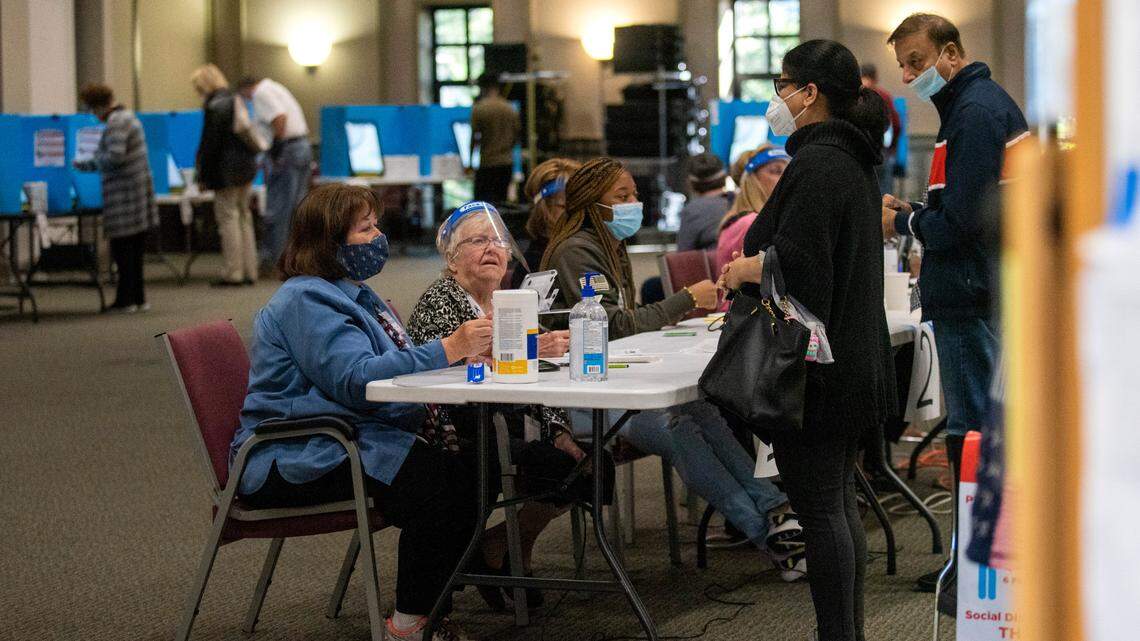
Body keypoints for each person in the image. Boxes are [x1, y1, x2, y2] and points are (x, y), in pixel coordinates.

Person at [233, 184, 492, 641]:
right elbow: (356, 380)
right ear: (329, 241)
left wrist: (455, 358)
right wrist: (449, 348)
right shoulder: (305, 300)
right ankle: (409, 625)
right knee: (443, 484)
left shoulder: (352, 293)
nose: (377, 237)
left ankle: (429, 611)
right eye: (365, 228)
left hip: (346, 437)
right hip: (298, 451)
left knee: (471, 467)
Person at [542, 158, 807, 579]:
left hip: (612, 377)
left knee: (703, 408)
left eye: (634, 194)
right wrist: (685, 298)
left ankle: (775, 508)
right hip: (579, 394)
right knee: (674, 426)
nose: (634, 203)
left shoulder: (608, 246)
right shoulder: (576, 251)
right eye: (622, 197)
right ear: (594, 204)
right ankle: (769, 536)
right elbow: (612, 326)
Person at [718, 39, 895, 641]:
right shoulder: (850, 159)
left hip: (818, 369)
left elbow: (799, 266)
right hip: (848, 359)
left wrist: (747, 269)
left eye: (783, 86)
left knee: (823, 511)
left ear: (809, 93)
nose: (777, 99)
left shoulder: (821, 163)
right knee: (837, 508)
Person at [882, 12, 1028, 599]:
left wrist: (904, 219)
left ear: (950, 52)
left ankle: (973, 576)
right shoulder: (978, 108)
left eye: (917, 62)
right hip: (984, 287)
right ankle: (980, 567)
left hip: (971, 292)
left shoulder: (972, 114)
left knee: (975, 434)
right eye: (903, 67)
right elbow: (966, 204)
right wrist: (921, 208)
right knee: (989, 430)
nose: (911, 75)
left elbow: (963, 223)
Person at [406, 200, 608, 611]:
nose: (492, 249)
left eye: (498, 241)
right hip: (457, 430)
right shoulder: (442, 301)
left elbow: (533, 374)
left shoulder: (507, 301)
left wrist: (558, 430)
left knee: (591, 463)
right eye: (478, 241)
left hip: (508, 422)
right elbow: (451, 374)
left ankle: (504, 546)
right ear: (452, 259)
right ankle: (506, 554)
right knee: (563, 469)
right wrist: (531, 352)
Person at [74, 83, 157, 314]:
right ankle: (138, 298)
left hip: (124, 195)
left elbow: (115, 157)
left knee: (123, 250)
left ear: (98, 106)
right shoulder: (127, 117)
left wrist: (85, 163)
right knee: (135, 249)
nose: (93, 116)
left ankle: (125, 300)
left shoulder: (117, 122)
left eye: (91, 110)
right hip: (136, 192)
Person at [191, 64, 259, 287]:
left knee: (227, 219)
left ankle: (233, 271)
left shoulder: (215, 105)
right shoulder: (235, 99)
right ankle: (250, 269)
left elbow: (210, 145)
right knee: (245, 217)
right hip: (246, 168)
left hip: (226, 171)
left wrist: (202, 175)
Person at [238, 76, 312, 274]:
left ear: (246, 91)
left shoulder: (260, 93)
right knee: (297, 208)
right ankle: (298, 260)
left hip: (287, 150)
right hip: (302, 147)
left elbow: (279, 118)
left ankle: (276, 262)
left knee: (279, 209)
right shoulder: (276, 86)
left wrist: (276, 147)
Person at [716, 144, 790, 275]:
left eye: (788, 172)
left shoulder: (742, 220)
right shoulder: (750, 223)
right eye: (776, 171)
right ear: (752, 179)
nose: (786, 178)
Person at [509, 158, 581, 289]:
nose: (577, 214)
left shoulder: (587, 250)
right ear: (544, 208)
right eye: (564, 206)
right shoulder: (533, 265)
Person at [470, 73, 520, 203]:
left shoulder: (479, 109)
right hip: (506, 163)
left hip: (487, 163)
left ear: (482, 87)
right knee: (502, 203)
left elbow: (475, 138)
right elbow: (516, 137)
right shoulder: (510, 109)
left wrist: (469, 162)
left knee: (483, 205)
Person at [859, 63, 903, 197]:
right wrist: (892, 148)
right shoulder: (883, 95)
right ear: (875, 77)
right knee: (885, 196)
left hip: (858, 151)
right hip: (881, 150)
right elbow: (896, 124)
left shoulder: (853, 95)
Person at [676, 152, 733, 252]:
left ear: (690, 183)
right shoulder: (741, 201)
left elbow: (683, 257)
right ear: (724, 177)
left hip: (715, 267)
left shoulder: (692, 211)